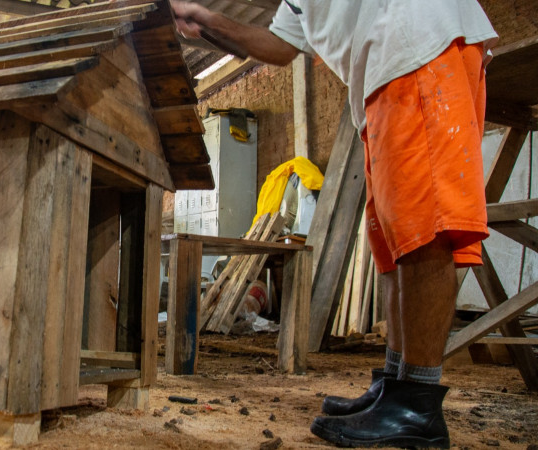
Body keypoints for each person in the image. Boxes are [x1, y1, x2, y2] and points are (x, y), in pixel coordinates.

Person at [172, 1, 498, 448]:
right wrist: (204, 20)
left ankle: (416, 404)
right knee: (392, 247)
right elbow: (279, 45)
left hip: (417, 48)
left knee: (426, 232)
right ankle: (394, 385)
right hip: (382, 78)